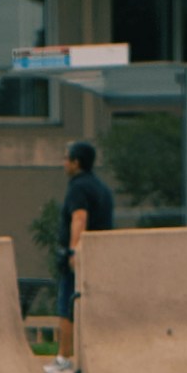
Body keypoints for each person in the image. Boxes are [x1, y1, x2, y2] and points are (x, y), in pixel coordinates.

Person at [53, 138, 116, 328]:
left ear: (76, 163)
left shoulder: (78, 187)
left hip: (81, 256)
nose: (64, 163)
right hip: (99, 255)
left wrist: (73, 251)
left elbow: (79, 217)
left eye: (67, 159)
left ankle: (64, 355)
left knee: (67, 305)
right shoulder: (101, 188)